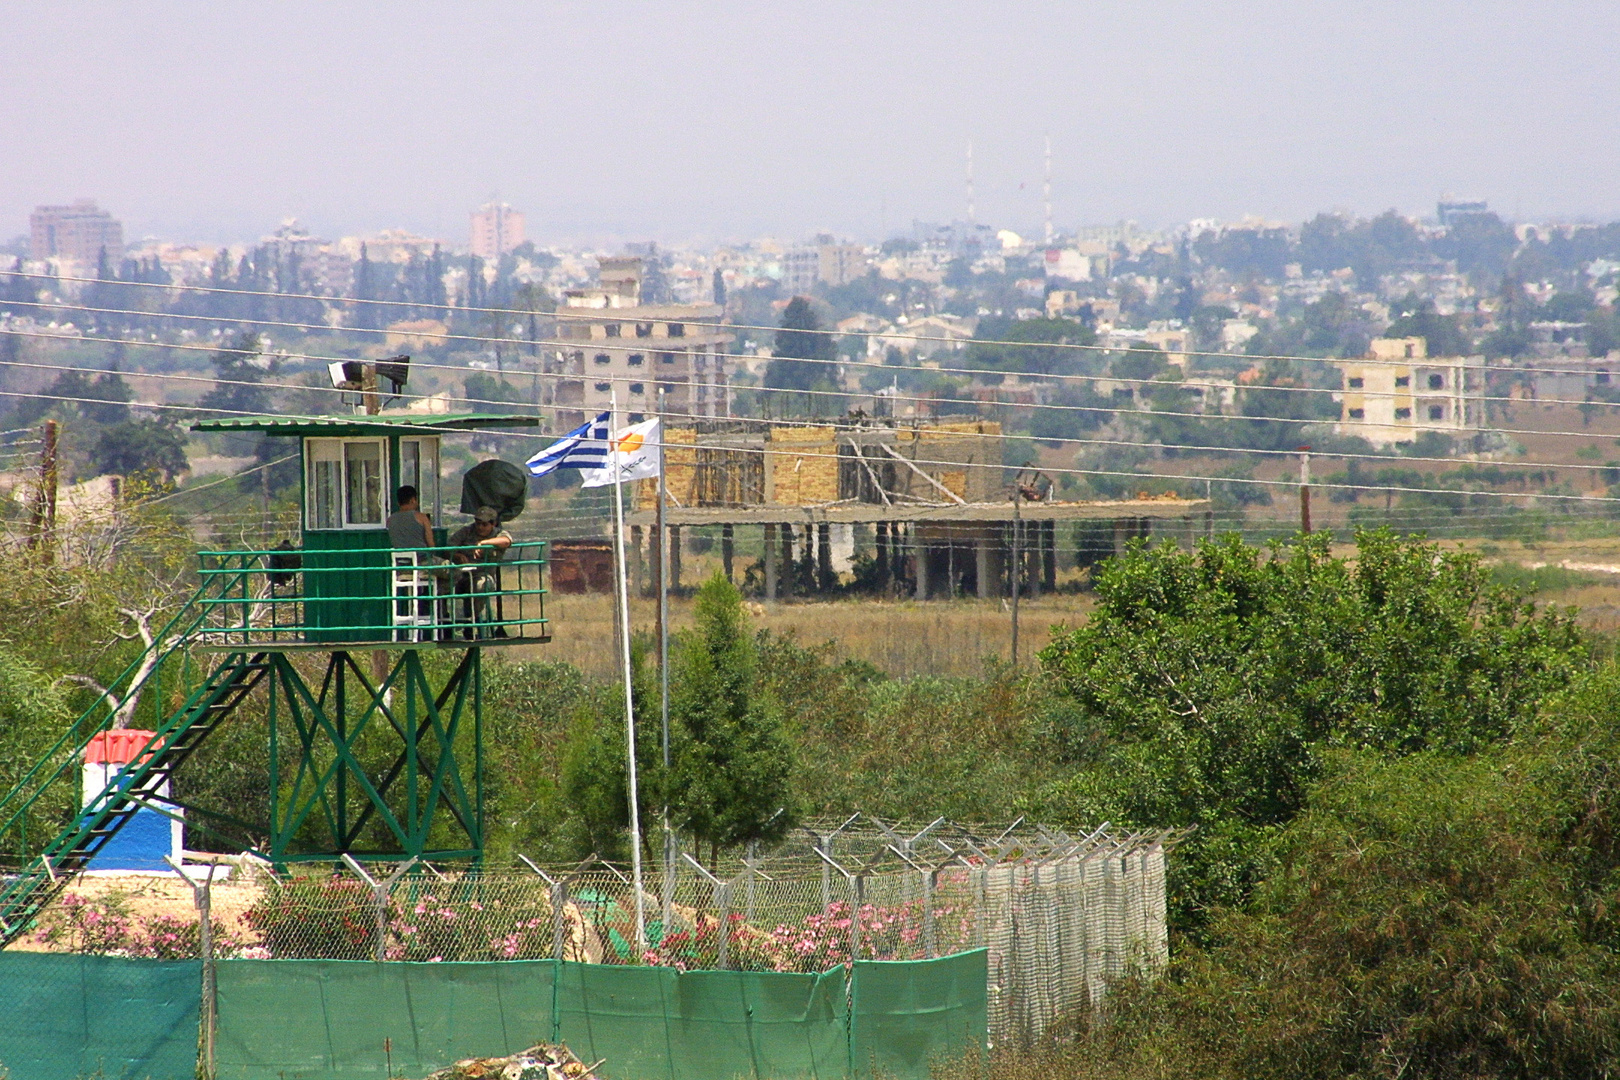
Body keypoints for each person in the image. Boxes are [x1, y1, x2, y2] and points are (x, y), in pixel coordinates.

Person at [446, 506, 513, 637]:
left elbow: (507, 541)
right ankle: (444, 623)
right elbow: (449, 546)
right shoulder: (467, 531)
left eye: (484, 524)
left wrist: (485, 543)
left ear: (493, 524)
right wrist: (457, 555)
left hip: (482, 574)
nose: (480, 527)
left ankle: (472, 621)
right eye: (478, 523)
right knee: (438, 586)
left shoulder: (498, 534)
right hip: (461, 575)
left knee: (481, 586)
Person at [386, 486, 435, 550]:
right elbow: (431, 544)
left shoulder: (390, 520)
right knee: (447, 560)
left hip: (399, 558)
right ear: (412, 500)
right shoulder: (422, 518)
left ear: (398, 502)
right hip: (422, 558)